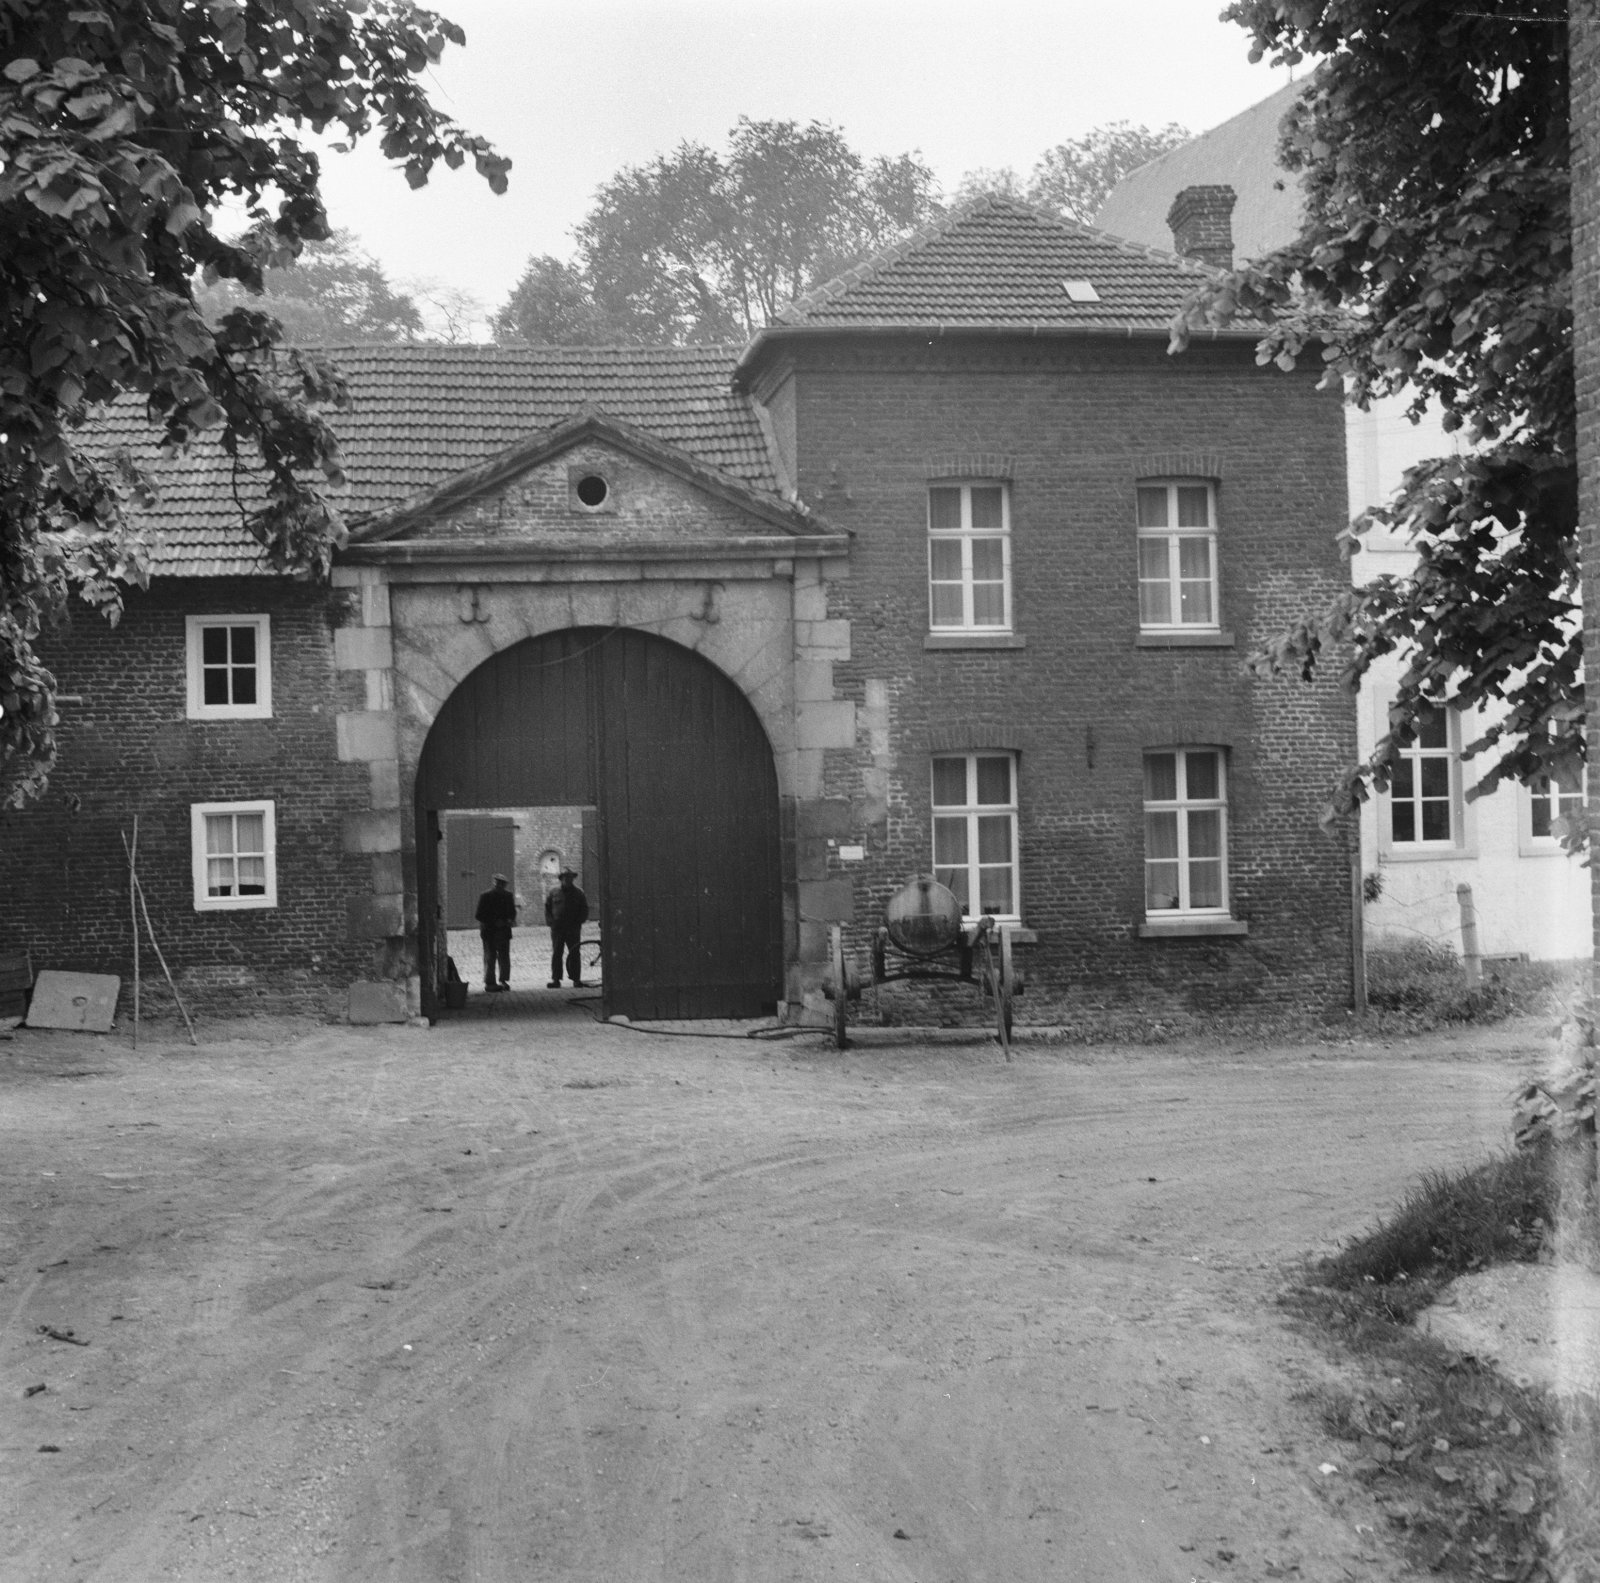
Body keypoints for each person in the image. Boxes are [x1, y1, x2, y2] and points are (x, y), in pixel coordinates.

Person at [545, 867, 589, 988]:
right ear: (561, 879)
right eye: (565, 878)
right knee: (557, 953)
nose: (567, 880)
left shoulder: (579, 893)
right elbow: (548, 908)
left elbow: (584, 909)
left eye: (570, 878)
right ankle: (556, 979)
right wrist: (551, 923)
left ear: (573, 879)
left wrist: (579, 922)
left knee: (574, 953)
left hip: (573, 928)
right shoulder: (553, 892)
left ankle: (576, 979)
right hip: (558, 928)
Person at [474, 872, 517, 992]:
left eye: (502, 884)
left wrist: (509, 920)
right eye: (498, 883)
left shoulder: (508, 896)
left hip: (504, 931)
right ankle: (490, 982)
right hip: (490, 931)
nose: (500, 886)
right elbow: (479, 915)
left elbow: (512, 912)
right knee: (490, 956)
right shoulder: (485, 896)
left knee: (504, 957)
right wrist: (494, 922)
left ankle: (503, 980)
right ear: (494, 883)